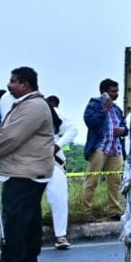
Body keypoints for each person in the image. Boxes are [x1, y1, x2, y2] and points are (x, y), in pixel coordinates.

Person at [0, 67, 55, 262]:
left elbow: (12, 137)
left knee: (15, 216)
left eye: (13, 81)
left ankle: (11, 261)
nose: (9, 85)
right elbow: (5, 131)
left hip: (25, 169)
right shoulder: (29, 105)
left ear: (25, 84)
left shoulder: (33, 106)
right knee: (29, 216)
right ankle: (29, 259)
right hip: (31, 167)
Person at [82, 79, 127, 220]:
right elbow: (91, 122)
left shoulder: (117, 109)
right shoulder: (94, 105)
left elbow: (125, 127)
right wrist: (104, 110)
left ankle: (114, 211)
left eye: (117, 91)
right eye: (113, 91)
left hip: (115, 148)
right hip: (99, 147)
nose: (116, 94)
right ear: (104, 92)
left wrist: (123, 130)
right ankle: (85, 211)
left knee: (115, 181)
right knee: (92, 180)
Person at [45, 95, 78, 248]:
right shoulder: (20, 110)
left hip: (53, 161)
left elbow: (73, 129)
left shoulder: (52, 112)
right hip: (28, 161)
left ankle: (61, 236)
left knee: (59, 198)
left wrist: (57, 146)